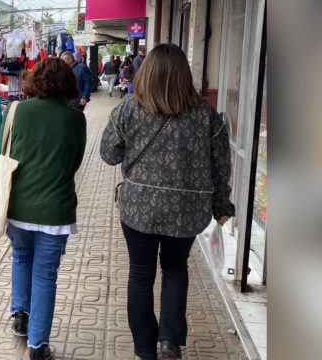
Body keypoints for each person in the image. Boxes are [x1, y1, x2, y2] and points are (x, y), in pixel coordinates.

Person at [99, 44, 235, 360]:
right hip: (187, 212)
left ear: (145, 74)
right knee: (175, 269)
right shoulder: (205, 115)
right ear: (184, 76)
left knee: (141, 273)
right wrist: (222, 206)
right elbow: (221, 165)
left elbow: (109, 154)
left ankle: (146, 349)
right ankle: (170, 342)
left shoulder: (129, 109)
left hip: (138, 210)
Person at [5, 57, 86, 360]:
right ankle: (38, 346)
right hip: (56, 209)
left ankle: (20, 316)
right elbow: (74, 162)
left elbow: (5, 151)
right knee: (45, 274)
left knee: (21, 258)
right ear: (68, 83)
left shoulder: (17, 111)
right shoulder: (75, 118)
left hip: (18, 205)